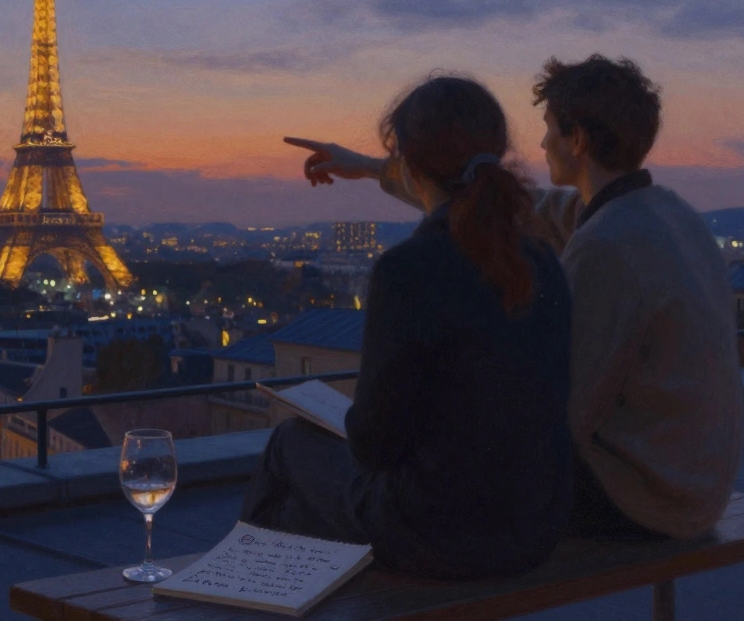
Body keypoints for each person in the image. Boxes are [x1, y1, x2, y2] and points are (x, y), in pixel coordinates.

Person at [285, 55, 744, 540]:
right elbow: (513, 206)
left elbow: (564, 407)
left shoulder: (608, 248)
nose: (543, 142)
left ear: (579, 139)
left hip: (646, 499)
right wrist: (373, 168)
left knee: (312, 464)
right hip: (697, 483)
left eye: (550, 128)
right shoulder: (662, 212)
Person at [241, 76, 575, 580]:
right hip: (534, 528)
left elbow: (374, 445)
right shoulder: (542, 262)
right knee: (299, 511)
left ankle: (244, 589)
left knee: (290, 444)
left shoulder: (409, 270)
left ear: (409, 164)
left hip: (438, 533)